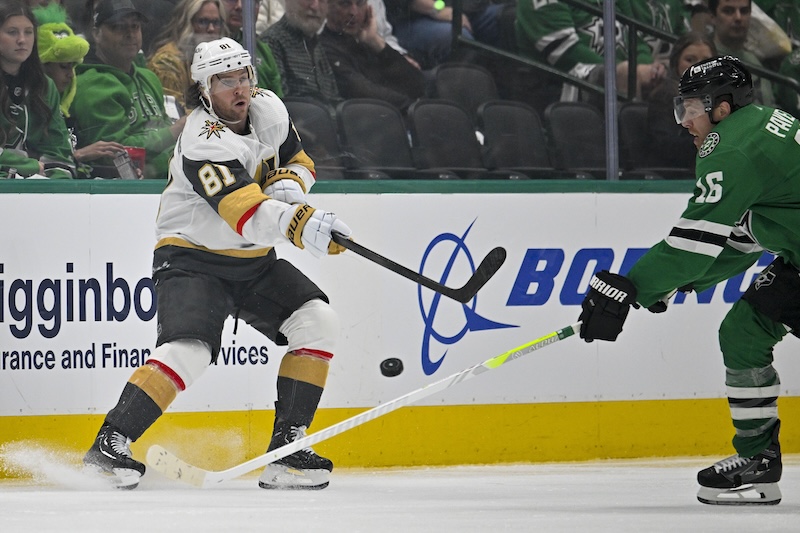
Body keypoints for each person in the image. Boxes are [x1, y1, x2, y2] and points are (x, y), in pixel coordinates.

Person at [82, 36, 352, 491]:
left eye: (242, 76)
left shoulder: (269, 108)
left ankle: (286, 452)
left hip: (252, 261)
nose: (238, 88)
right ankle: (109, 444)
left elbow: (300, 160)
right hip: (191, 258)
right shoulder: (203, 142)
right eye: (224, 80)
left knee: (317, 321)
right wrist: (301, 224)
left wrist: (289, 184)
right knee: (190, 349)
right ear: (205, 90)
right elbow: (246, 215)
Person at [578, 56, 796, 506]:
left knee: (743, 331)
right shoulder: (766, 123)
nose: (685, 122)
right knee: (743, 332)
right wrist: (670, 286)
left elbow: (691, 244)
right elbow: (742, 240)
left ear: (720, 108)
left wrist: (631, 286)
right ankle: (758, 459)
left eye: (691, 108)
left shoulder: (730, 148)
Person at [70, 0, 185, 179]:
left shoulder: (148, 78)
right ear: (96, 34)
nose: (130, 34)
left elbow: (162, 133)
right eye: (118, 27)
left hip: (168, 180)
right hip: (121, 190)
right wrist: (174, 132)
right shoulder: (92, 84)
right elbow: (113, 152)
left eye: (135, 26)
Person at [33, 1, 127, 176]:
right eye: (63, 67)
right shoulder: (28, 112)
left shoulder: (68, 112)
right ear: (41, 67)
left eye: (73, 66)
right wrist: (80, 154)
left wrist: (116, 173)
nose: (71, 74)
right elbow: (29, 162)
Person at [515, 0, 666, 103]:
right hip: (563, 89)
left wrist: (647, 69)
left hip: (619, 86)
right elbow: (566, 53)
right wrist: (629, 72)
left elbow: (636, 39)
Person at [0, 0, 74, 179]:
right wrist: (28, 165)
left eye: (28, 32)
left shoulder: (45, 86)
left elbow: (59, 152)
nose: (22, 40)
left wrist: (57, 183)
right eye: (12, 32)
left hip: (37, 189)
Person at [320, 0, 425, 111]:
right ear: (327, 7)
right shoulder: (325, 48)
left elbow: (418, 84)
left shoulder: (367, 41)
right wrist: (414, 108)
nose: (354, 12)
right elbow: (363, 90)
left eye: (360, 3)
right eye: (345, 4)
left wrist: (376, 42)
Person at [642, 31, 716, 171]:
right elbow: (663, 146)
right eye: (690, 60)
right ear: (676, 63)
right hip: (674, 178)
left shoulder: (721, 99)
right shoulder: (664, 95)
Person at [148, 0, 226, 113]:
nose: (211, 29)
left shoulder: (217, 58)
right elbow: (175, 114)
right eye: (203, 21)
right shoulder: (166, 62)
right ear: (187, 23)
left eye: (216, 22)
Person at [261, 0, 341, 105]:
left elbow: (333, 98)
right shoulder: (272, 42)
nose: (315, 6)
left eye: (322, 0)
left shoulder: (317, 44)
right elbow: (281, 106)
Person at [709, 0, 775, 105]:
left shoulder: (755, 61)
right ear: (713, 17)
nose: (738, 18)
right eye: (728, 11)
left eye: (744, 11)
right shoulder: (704, 58)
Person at [222, 0, 283, 96]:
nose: (240, 6)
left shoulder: (262, 49)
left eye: (253, 2)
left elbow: (278, 100)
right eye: (232, 0)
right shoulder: (206, 48)